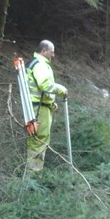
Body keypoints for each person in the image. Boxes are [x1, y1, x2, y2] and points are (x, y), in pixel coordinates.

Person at [26, 40, 67, 174]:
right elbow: (45, 85)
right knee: (39, 140)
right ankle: (34, 174)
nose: (53, 55)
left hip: (37, 106)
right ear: (43, 51)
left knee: (35, 139)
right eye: (51, 52)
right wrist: (61, 90)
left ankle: (32, 172)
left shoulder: (34, 63)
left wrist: (50, 103)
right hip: (39, 109)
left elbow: (39, 90)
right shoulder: (40, 65)